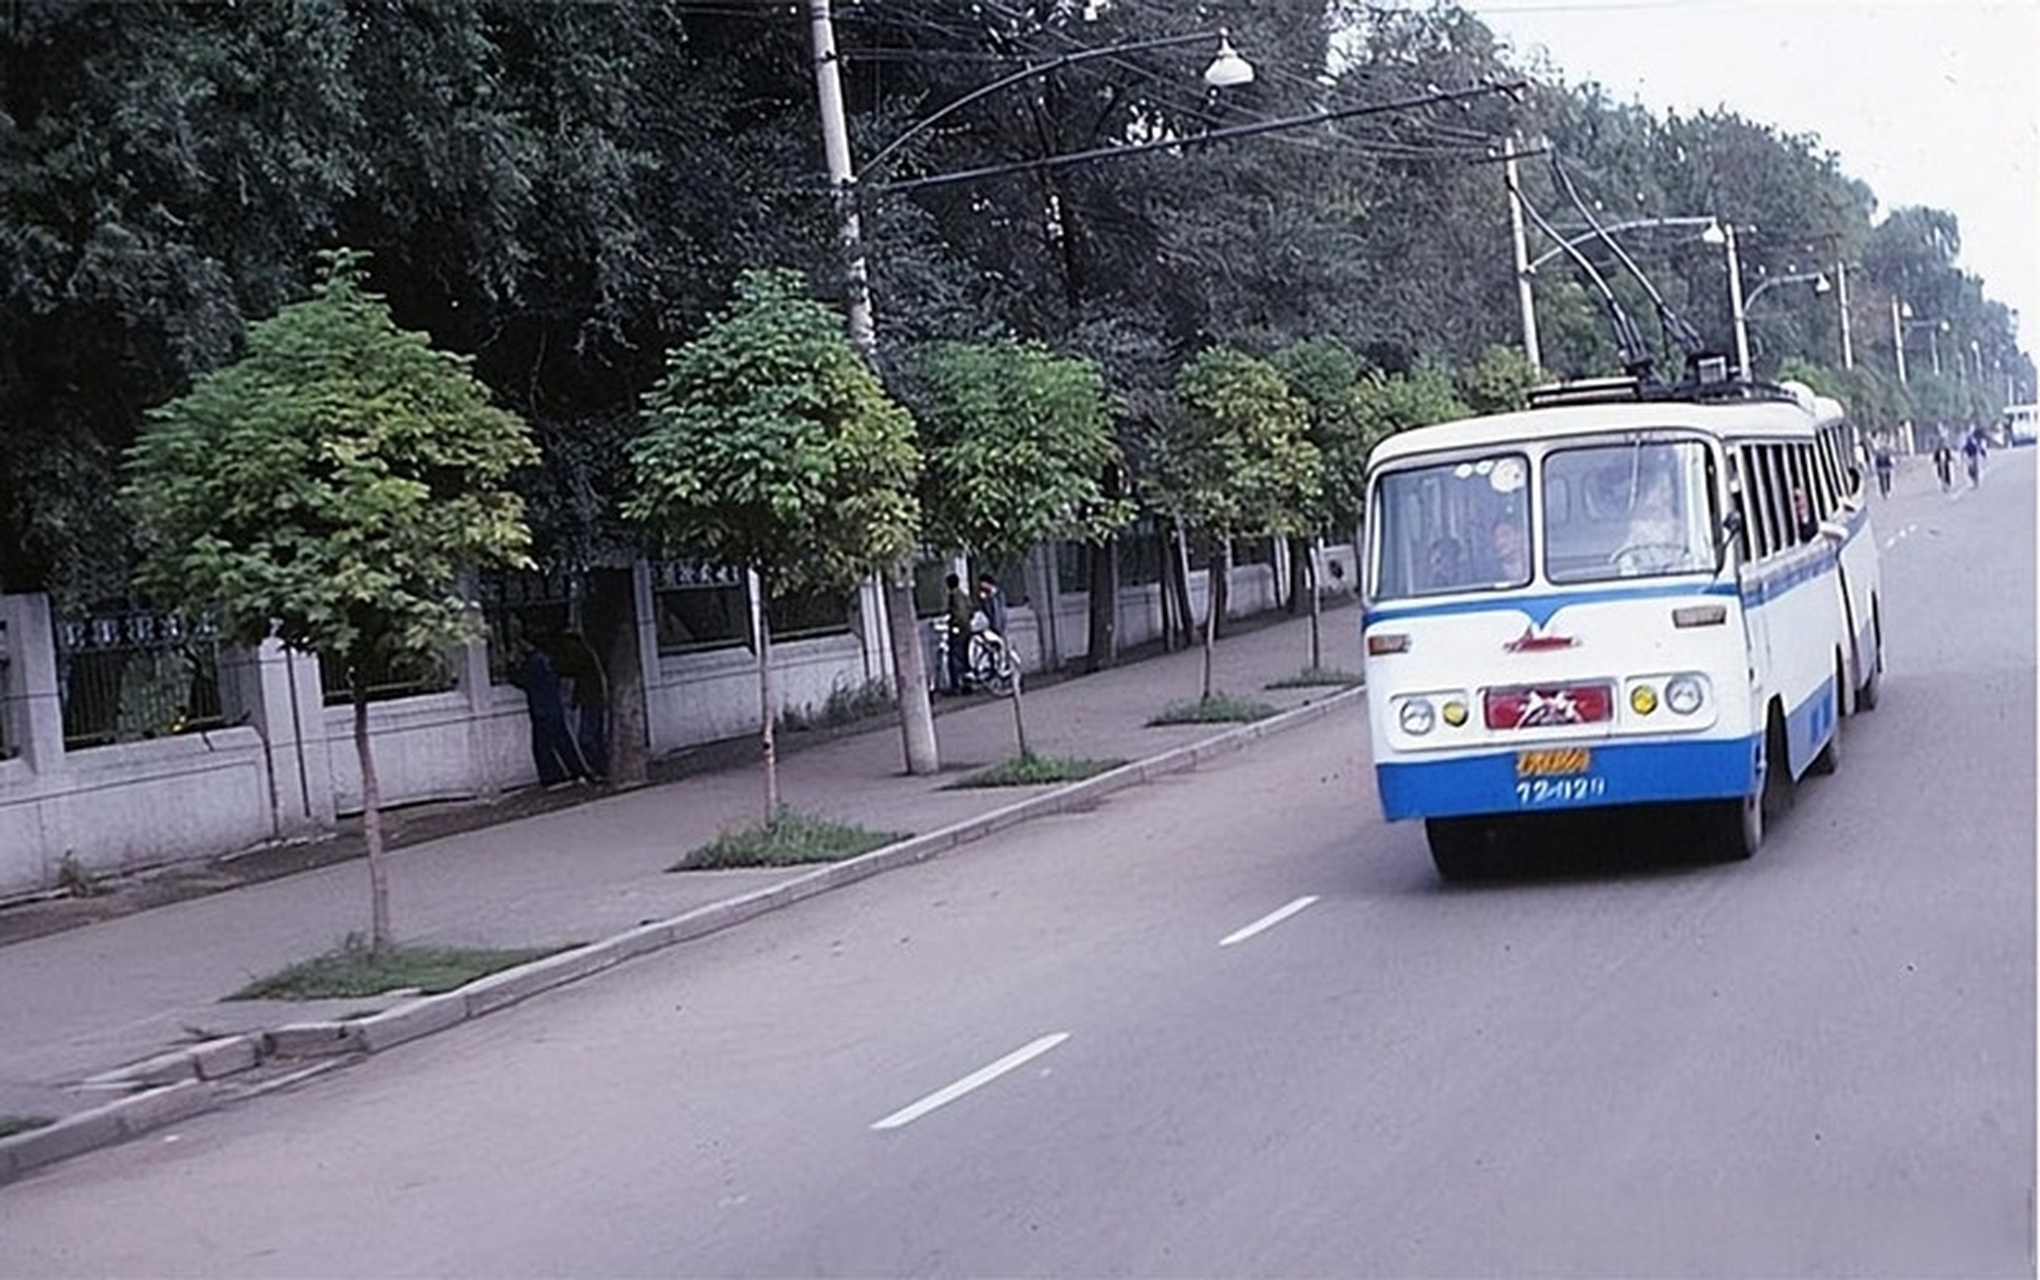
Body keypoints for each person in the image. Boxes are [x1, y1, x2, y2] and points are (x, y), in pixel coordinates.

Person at [506, 637, 591, 788]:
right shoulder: (547, 660)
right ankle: (576, 772)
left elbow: (520, 679)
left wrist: (511, 664)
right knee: (562, 741)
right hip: (552, 707)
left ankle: (553, 776)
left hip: (542, 710)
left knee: (543, 746)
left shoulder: (534, 663)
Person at [549, 629, 608, 783]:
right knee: (592, 737)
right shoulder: (586, 655)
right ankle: (599, 769)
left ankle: (599, 769)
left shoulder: (582, 656)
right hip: (590, 700)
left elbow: (567, 668)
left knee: (588, 738)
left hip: (591, 701)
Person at [943, 572, 974, 693]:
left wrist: (954, 622)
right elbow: (970, 609)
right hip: (967, 628)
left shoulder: (954, 596)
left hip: (958, 630)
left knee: (955, 657)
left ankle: (956, 685)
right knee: (965, 657)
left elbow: (959, 612)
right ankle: (967, 683)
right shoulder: (963, 594)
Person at [1489, 517, 1529, 583]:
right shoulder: (1492, 574)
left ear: (1519, 536)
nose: (1501, 542)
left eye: (1505, 534)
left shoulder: (1536, 562)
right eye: (1496, 538)